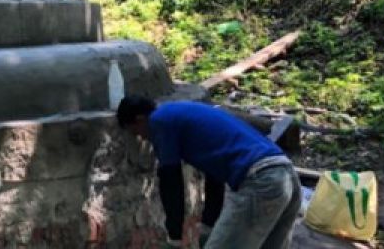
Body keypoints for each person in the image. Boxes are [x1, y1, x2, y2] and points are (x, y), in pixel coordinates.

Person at [116, 95, 300, 249]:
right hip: (285, 175)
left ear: (140, 119)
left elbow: (171, 180)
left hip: (261, 181)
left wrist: (174, 236)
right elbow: (215, 175)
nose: (143, 138)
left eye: (137, 133)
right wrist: (208, 223)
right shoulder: (187, 114)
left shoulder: (159, 121)